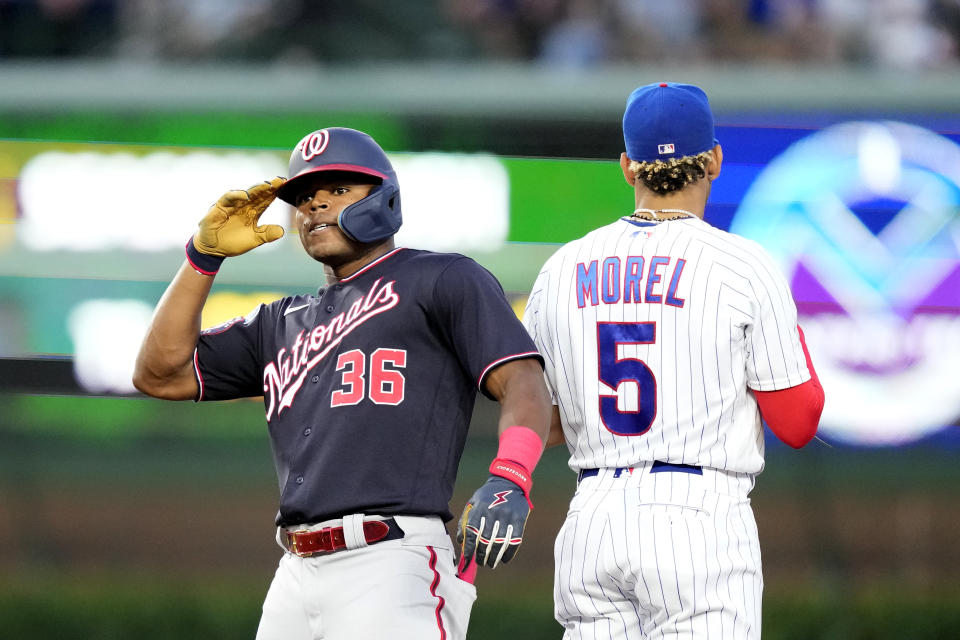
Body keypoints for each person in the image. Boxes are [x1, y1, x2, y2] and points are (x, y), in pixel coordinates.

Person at [132, 127, 552, 640]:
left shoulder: (442, 279)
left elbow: (523, 380)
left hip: (391, 560)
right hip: (294, 571)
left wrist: (511, 476)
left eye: (338, 189)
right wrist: (202, 256)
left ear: (384, 197)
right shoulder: (279, 322)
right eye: (305, 196)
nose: (316, 205)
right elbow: (159, 373)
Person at [521, 82, 825, 639]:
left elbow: (546, 425)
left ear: (627, 167)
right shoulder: (742, 265)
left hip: (593, 518)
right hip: (697, 517)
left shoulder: (562, 269)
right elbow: (798, 422)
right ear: (713, 160)